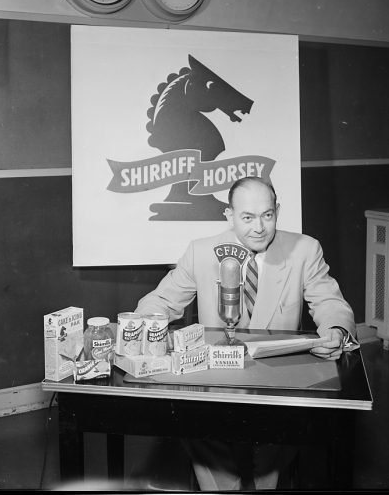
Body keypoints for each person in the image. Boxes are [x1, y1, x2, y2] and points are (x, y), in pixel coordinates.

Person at [135, 176, 358, 490]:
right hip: (218, 383)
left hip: (276, 385)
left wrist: (335, 331)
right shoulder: (201, 252)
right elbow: (160, 301)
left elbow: (330, 302)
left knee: (276, 442)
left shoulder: (305, 250)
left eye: (267, 215)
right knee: (197, 427)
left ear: (277, 211)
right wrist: (144, 324)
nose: (259, 228)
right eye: (248, 217)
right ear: (229, 216)